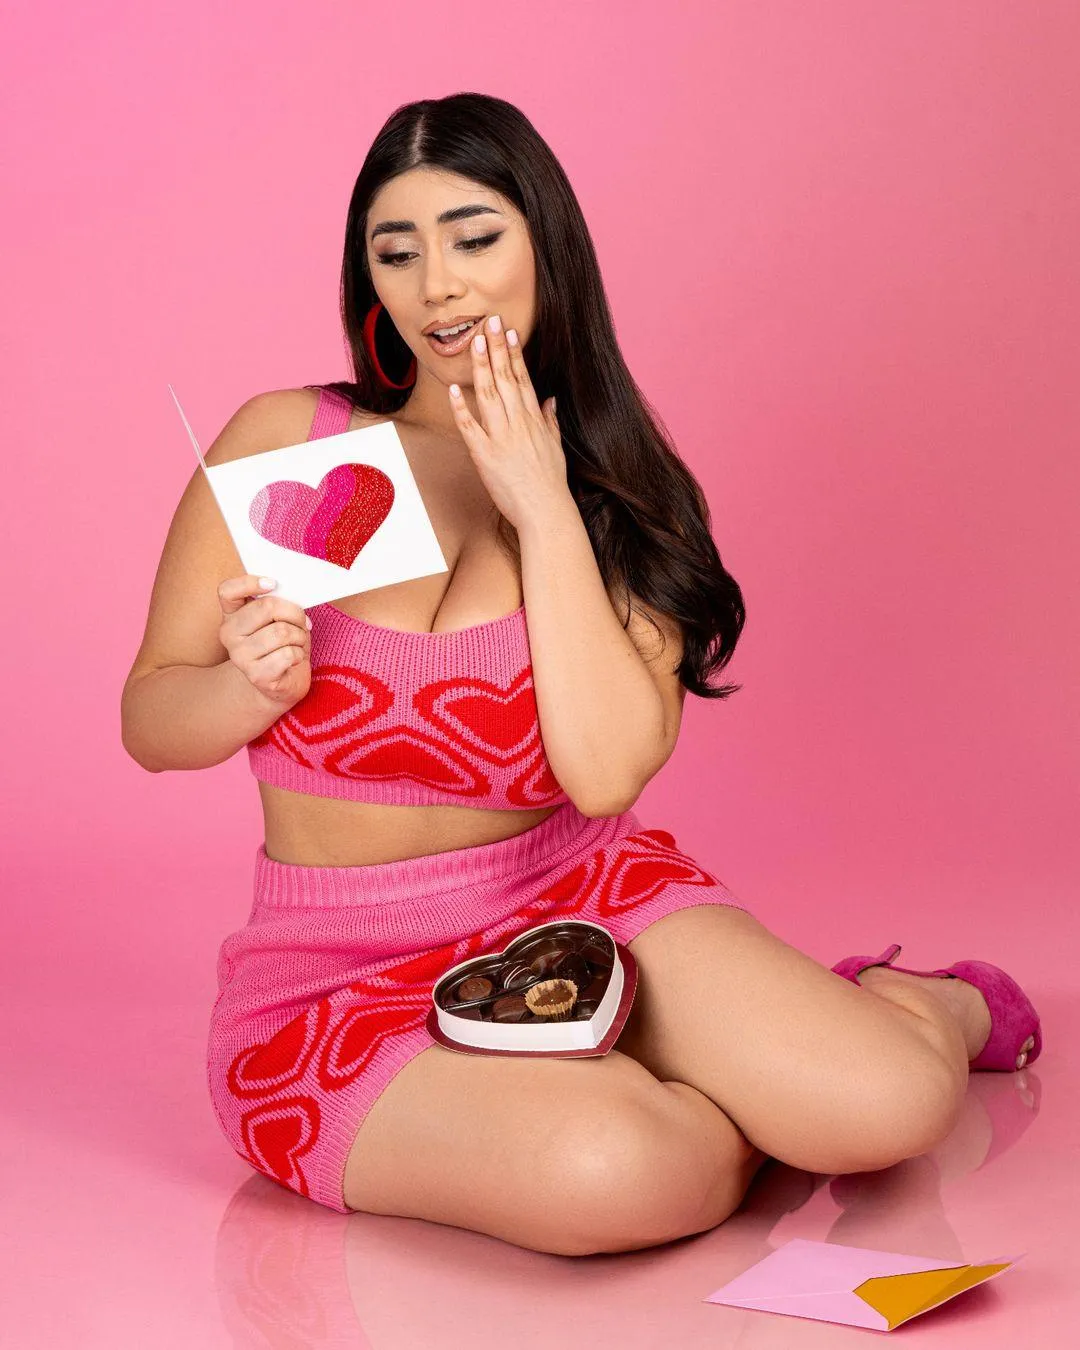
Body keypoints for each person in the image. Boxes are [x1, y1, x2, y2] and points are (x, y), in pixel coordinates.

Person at [120, 92, 1041, 1258]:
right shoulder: (294, 446)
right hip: (337, 976)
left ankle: (919, 1001)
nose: (436, 284)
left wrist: (545, 506)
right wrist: (244, 689)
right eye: (394, 251)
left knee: (889, 1106)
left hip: (583, 898)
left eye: (474, 236)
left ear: (546, 244)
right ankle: (699, 1085)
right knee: (617, 1171)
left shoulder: (627, 495)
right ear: (369, 279)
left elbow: (603, 776)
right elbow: (151, 716)